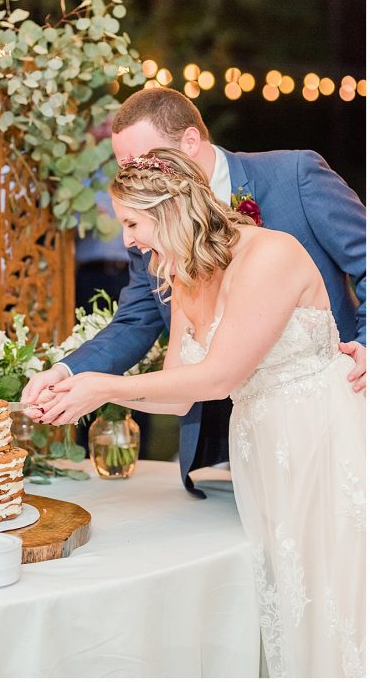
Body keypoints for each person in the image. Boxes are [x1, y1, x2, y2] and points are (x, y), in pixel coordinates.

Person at [36, 148, 365, 677]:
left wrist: (102, 386)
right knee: (288, 592)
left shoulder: (271, 255)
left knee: (333, 594)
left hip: (320, 438)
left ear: (170, 209)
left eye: (132, 223)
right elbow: (179, 396)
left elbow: (220, 376)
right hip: (261, 447)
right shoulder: (185, 276)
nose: (128, 240)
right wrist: (84, 386)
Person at [21, 87, 366, 497]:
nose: (136, 177)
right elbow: (137, 323)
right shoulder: (165, 254)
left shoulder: (294, 178)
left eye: (144, 162)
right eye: (125, 166)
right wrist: (72, 378)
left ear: (187, 142)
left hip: (331, 418)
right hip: (243, 440)